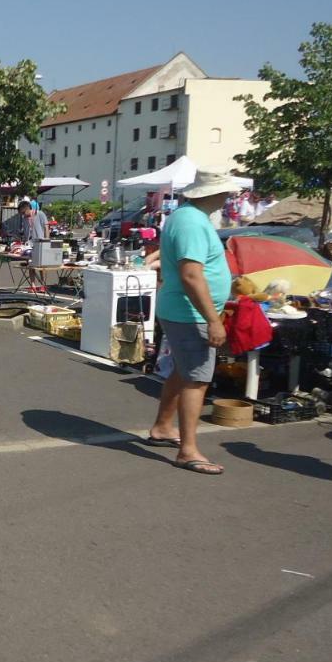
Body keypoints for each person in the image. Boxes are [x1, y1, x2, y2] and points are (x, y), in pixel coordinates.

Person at [146, 169, 234, 476]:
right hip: (190, 312)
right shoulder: (192, 221)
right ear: (211, 194)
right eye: (225, 192)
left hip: (183, 310)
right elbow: (191, 275)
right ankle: (188, 450)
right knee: (197, 379)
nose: (227, 197)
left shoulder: (187, 217)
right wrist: (214, 320)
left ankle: (162, 427)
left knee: (184, 371)